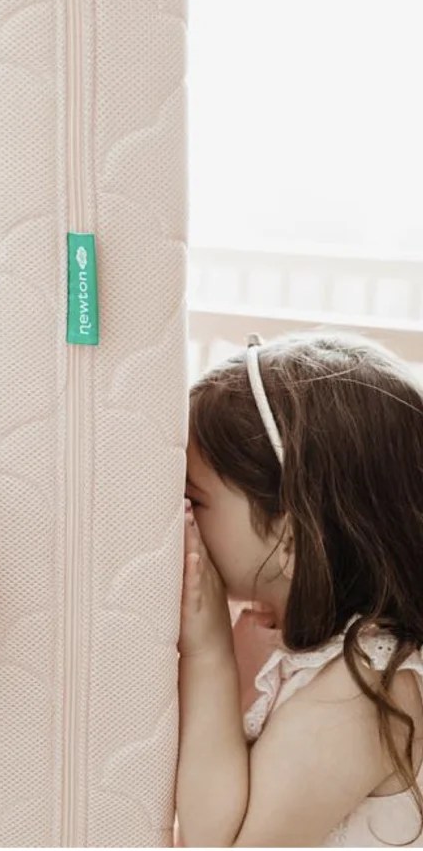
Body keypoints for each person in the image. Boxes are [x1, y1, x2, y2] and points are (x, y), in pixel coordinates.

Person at [177, 331, 423, 847]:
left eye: (194, 500)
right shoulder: (311, 657)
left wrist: (210, 654)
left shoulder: (363, 693)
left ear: (289, 539)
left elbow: (212, 842)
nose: (179, 518)